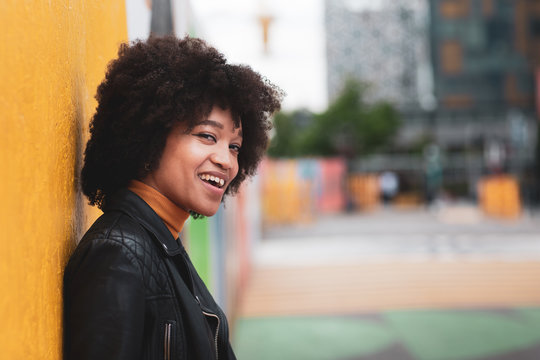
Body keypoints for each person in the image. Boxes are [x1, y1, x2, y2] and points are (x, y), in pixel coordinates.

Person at [63, 36, 282, 360]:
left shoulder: (160, 242)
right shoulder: (118, 254)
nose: (226, 160)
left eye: (234, 146)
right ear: (148, 137)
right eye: (207, 136)